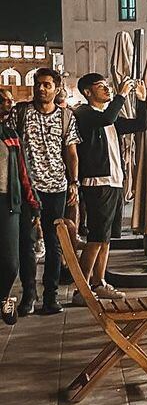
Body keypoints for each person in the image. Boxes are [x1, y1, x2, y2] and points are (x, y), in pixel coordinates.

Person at [74, 73, 147, 300]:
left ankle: (99, 282)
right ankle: (82, 289)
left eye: (108, 86)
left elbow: (140, 125)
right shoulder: (84, 113)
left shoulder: (109, 116)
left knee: (105, 238)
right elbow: (106, 119)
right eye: (101, 86)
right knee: (96, 236)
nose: (107, 89)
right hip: (98, 183)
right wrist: (121, 95)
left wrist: (142, 100)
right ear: (88, 92)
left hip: (114, 181)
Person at [14, 67, 80, 316]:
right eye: (38, 84)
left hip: (57, 186)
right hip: (27, 187)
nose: (41, 88)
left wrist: (74, 183)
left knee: (55, 243)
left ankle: (51, 295)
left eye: (47, 85)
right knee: (27, 242)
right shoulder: (21, 113)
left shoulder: (66, 117)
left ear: (57, 88)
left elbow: (71, 152)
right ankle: (29, 295)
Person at [0, 87, 38, 325]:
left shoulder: (11, 135)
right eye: (4, 101)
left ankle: (4, 297)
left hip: (7, 201)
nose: (8, 105)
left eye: (9, 101)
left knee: (11, 262)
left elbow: (23, 173)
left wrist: (33, 203)